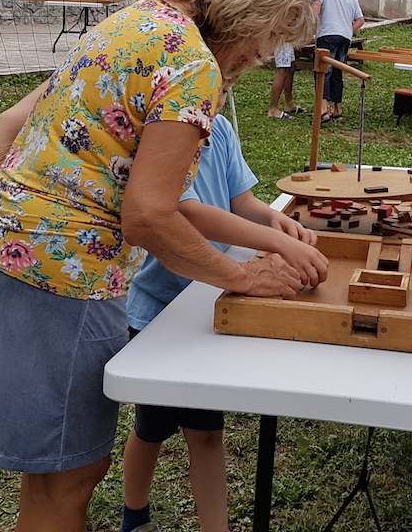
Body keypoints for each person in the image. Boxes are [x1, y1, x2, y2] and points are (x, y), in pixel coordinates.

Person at [0, 0, 327, 532]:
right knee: (68, 481)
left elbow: (11, 121)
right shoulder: (191, 64)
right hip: (65, 275)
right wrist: (243, 276)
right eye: (268, 41)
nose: (260, 57)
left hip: (9, 255)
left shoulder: (132, 21)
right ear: (251, 13)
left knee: (57, 474)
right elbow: (150, 216)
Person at [121, 108, 319, 532]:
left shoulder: (223, 129)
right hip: (158, 313)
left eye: (228, 86)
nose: (222, 93)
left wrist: (274, 219)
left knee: (207, 433)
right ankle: (134, 517)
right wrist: (274, 242)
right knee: (151, 428)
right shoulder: (168, 135)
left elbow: (240, 201)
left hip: (208, 307)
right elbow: (188, 212)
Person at [312, 0, 364, 122]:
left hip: (328, 33)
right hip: (344, 38)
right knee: (337, 72)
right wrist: (348, 31)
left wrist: (311, 26)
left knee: (322, 71)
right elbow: (360, 20)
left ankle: (323, 110)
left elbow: (316, 4)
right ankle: (337, 110)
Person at [266, 43, 303, 118]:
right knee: (283, 70)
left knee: (291, 67)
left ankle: (289, 104)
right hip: (282, 38)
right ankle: (273, 109)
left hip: (288, 39)